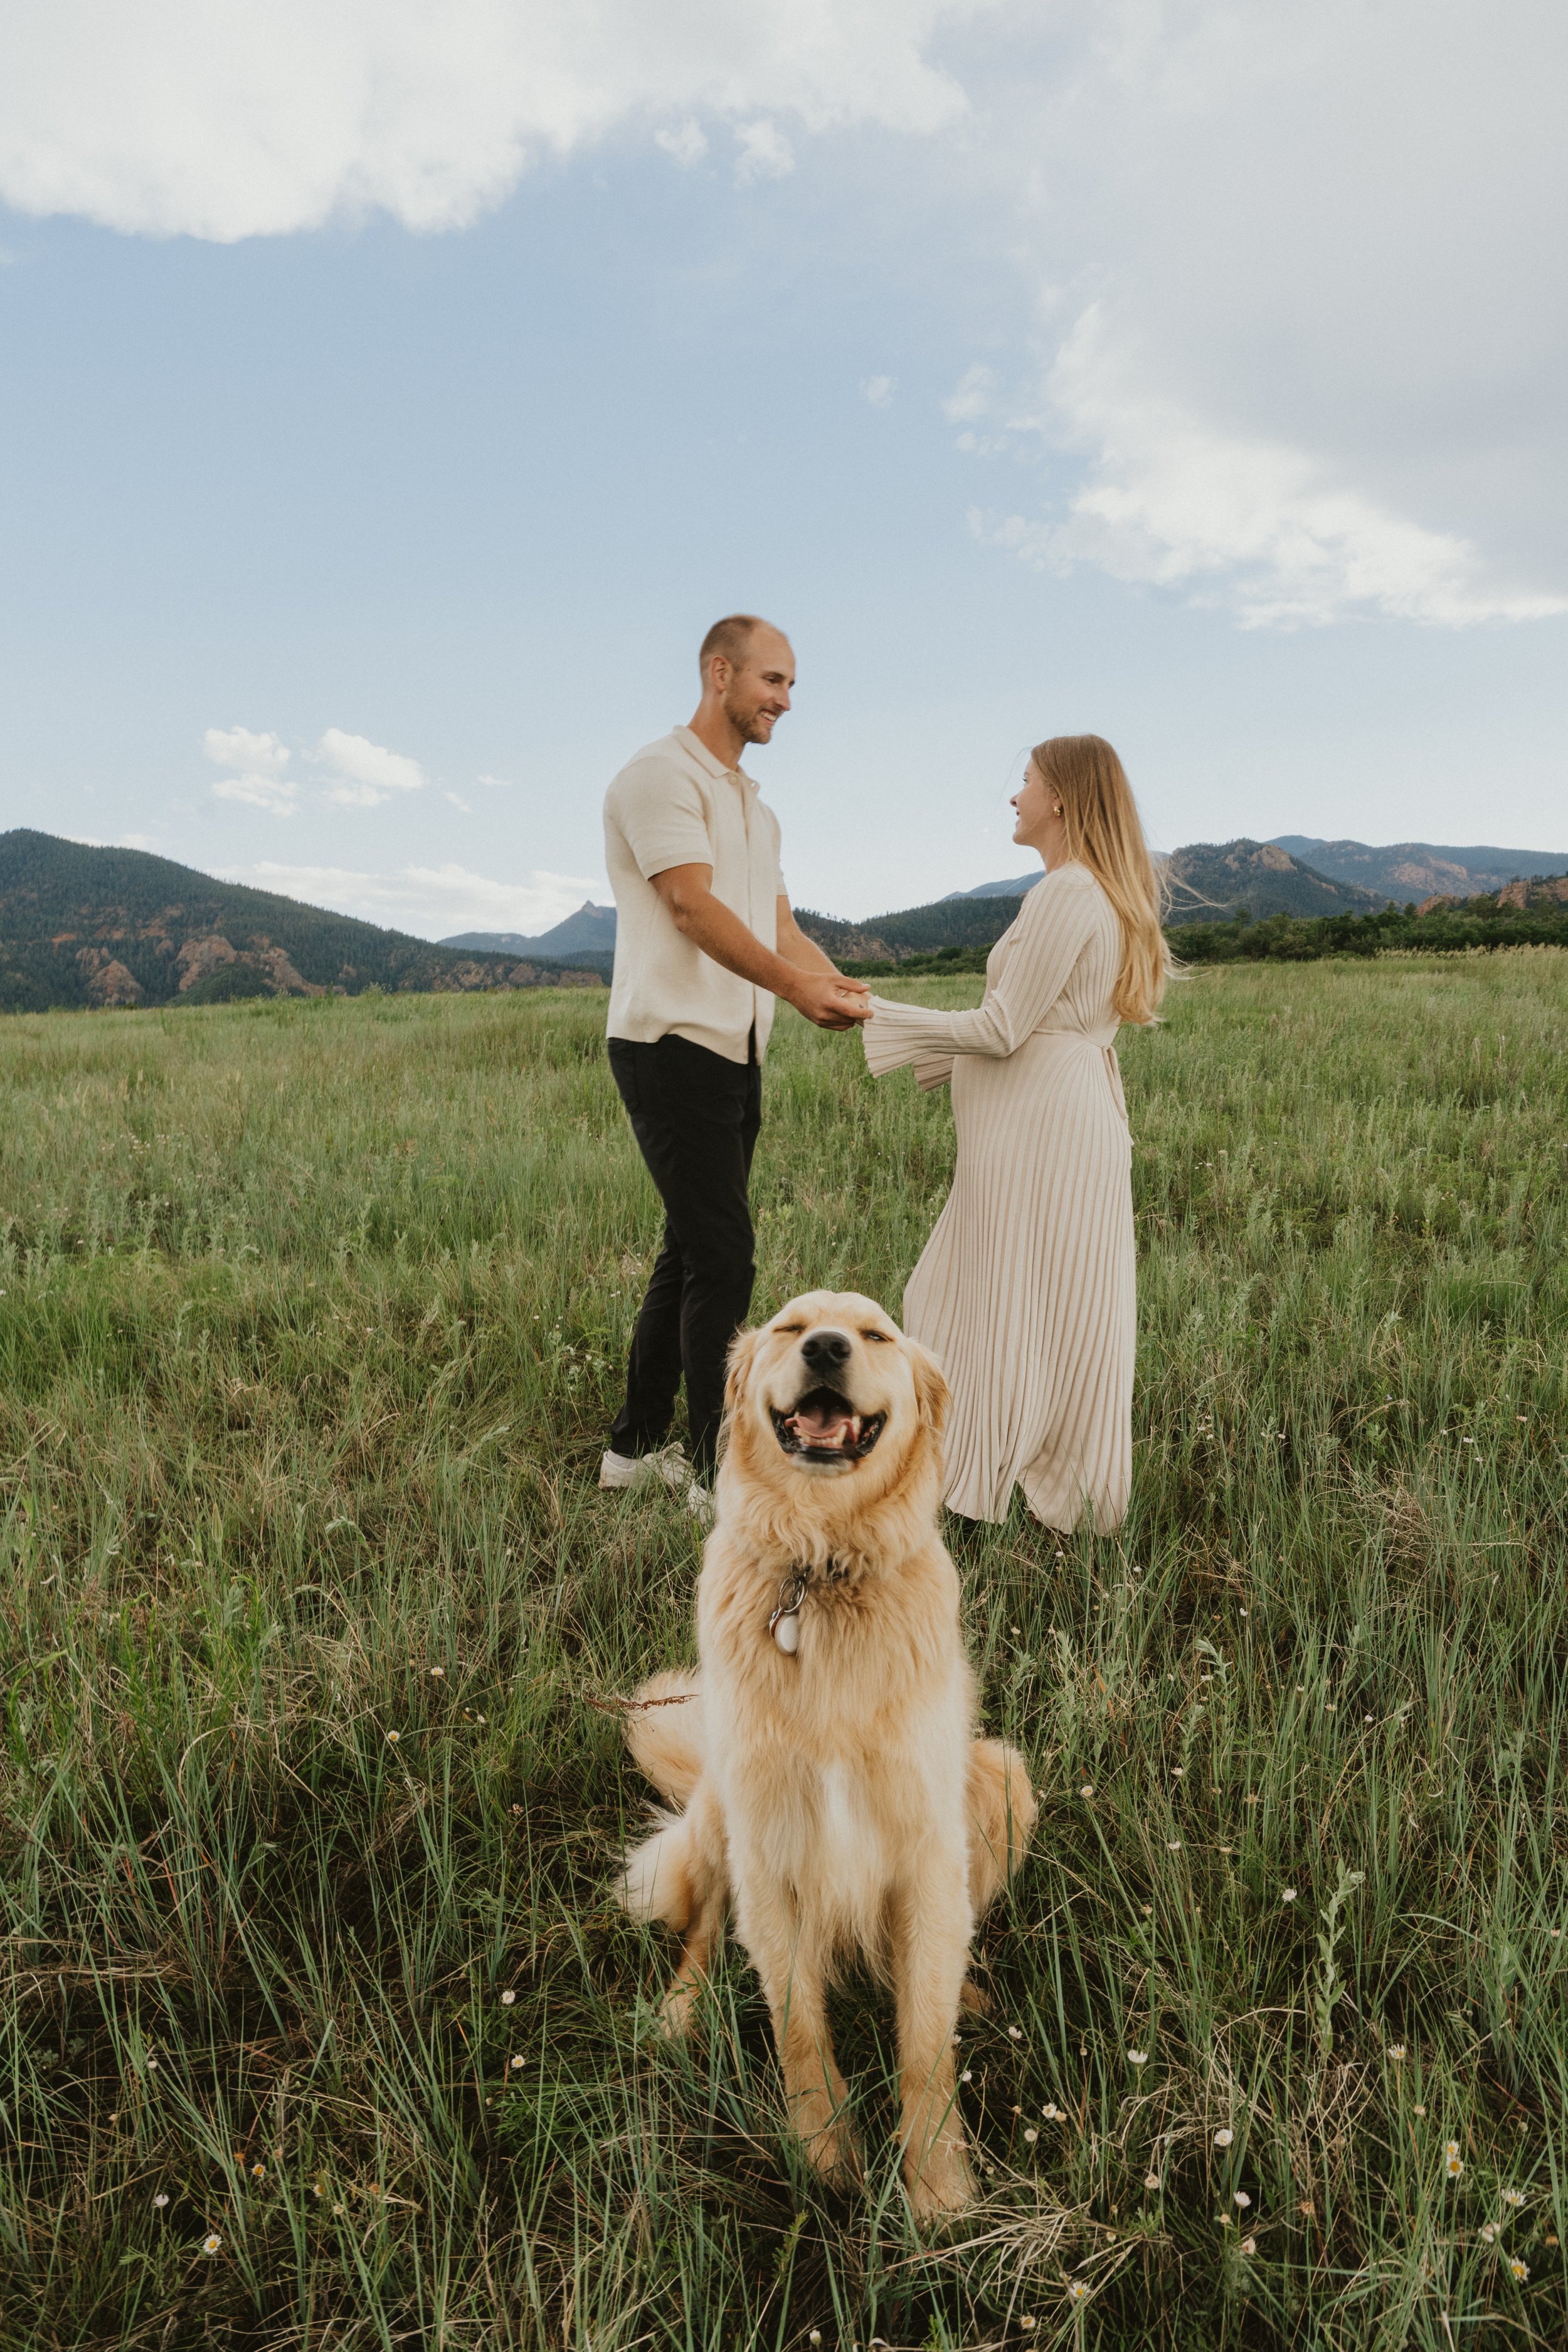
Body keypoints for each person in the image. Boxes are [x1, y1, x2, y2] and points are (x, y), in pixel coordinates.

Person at [861, 734, 1171, 1532]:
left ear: (1061, 796)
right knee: (1036, 1303)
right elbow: (1030, 1028)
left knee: (1008, 1301)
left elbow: (1003, 1029)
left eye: (1026, 781)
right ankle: (1016, 1472)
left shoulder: (1068, 892)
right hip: (1046, 1122)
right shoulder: (1084, 890)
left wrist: (878, 1017)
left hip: (1042, 1134)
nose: (1014, 796)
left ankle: (992, 1473)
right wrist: (937, 1060)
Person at [599, 615, 871, 1508]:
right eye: (773, 681)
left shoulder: (757, 807)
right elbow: (689, 906)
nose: (785, 702)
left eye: (792, 687)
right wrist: (796, 989)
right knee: (726, 1258)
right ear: (720, 672)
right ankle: (720, 1470)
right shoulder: (658, 776)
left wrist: (858, 1001)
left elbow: (781, 927)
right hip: (668, 1045)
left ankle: (635, 1450)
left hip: (735, 1052)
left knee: (690, 1251)